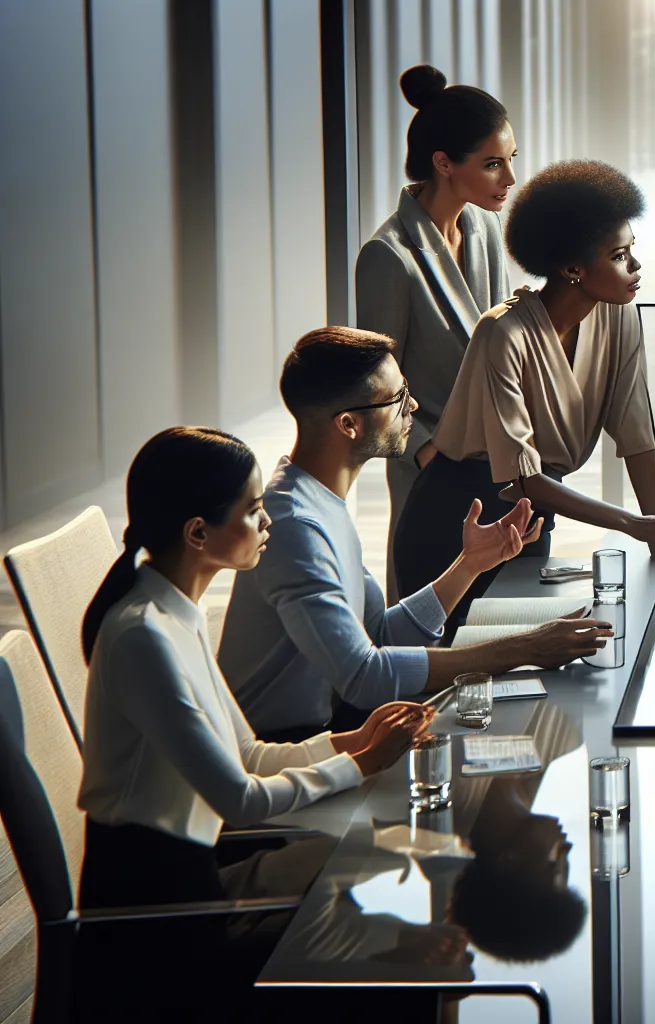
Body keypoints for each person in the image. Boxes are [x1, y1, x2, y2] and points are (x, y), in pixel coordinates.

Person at [77, 427, 433, 913]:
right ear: (198, 532)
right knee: (387, 888)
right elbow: (240, 800)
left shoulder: (175, 611)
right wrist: (363, 763)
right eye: (252, 508)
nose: (267, 520)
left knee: (390, 861)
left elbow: (247, 753)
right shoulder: (144, 637)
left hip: (193, 875)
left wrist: (353, 741)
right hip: (158, 912)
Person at [219, 328, 608, 741]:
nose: (415, 406)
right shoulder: (296, 525)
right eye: (398, 397)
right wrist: (525, 649)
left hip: (333, 728)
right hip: (290, 749)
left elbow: (379, 638)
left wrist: (470, 563)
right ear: (349, 424)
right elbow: (365, 676)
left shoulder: (318, 501)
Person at [396, 159, 655, 625]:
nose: (635, 267)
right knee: (459, 670)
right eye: (618, 256)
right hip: (458, 520)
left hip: (533, 518)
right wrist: (634, 524)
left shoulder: (618, 315)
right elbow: (521, 478)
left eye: (632, 250)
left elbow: (635, 431)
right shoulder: (502, 334)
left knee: (526, 666)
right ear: (573, 267)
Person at [355, 64, 515, 592]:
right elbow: (375, 378)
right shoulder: (388, 256)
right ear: (443, 163)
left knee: (499, 613)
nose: (509, 180)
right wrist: (425, 451)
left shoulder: (485, 226)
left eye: (510, 160)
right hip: (432, 467)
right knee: (428, 619)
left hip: (498, 460)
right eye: (492, 164)